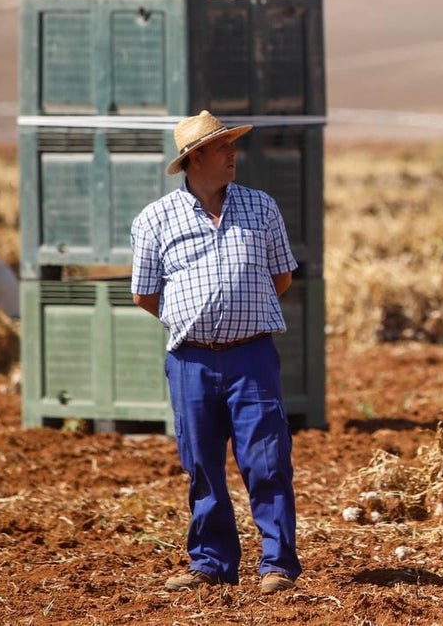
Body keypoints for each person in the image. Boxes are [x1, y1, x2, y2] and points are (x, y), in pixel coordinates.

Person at [130, 110, 301, 594]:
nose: (233, 153)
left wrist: (240, 314)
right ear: (195, 158)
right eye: (223, 146)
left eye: (232, 144)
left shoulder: (261, 207)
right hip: (191, 360)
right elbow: (145, 294)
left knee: (268, 462)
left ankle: (277, 565)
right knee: (202, 464)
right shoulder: (155, 220)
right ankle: (210, 562)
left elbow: (281, 276)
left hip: (253, 357)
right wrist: (195, 321)